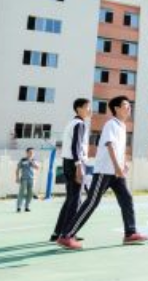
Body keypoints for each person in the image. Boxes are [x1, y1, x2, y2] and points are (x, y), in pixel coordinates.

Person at [56, 96, 148, 250]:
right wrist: (117, 167)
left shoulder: (122, 126)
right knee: (92, 202)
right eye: (126, 105)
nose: (129, 108)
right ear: (116, 108)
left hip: (116, 173)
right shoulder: (111, 124)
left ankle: (130, 233)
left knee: (126, 198)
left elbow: (120, 148)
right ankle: (66, 236)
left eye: (130, 106)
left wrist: (123, 163)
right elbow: (109, 145)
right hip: (105, 171)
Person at [50, 98, 92, 242]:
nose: (90, 110)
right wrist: (79, 166)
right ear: (79, 109)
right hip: (75, 163)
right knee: (75, 200)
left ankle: (58, 232)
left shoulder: (71, 123)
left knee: (71, 199)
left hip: (68, 162)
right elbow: (76, 146)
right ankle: (67, 234)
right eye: (87, 107)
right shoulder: (79, 124)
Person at [16, 147, 39, 212]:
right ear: (27, 153)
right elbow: (18, 169)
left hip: (31, 179)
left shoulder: (34, 160)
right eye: (30, 152)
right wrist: (17, 177)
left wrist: (31, 161)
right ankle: (19, 207)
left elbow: (37, 167)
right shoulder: (23, 160)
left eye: (32, 152)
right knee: (22, 193)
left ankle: (27, 207)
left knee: (30, 194)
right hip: (24, 179)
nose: (31, 154)